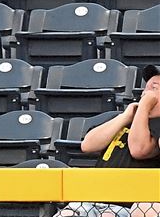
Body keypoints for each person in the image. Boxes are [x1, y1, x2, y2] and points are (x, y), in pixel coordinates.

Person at [54, 64, 160, 217]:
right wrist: (125, 116)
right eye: (146, 88)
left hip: (129, 205)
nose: (146, 92)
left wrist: (143, 107)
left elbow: (139, 150)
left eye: (154, 88)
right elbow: (88, 144)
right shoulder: (124, 119)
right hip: (93, 200)